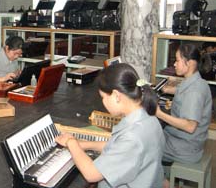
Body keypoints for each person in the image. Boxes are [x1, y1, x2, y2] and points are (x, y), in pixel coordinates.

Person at [55, 63, 165, 187]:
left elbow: (91, 174)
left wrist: (71, 143)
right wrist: (86, 144)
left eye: (103, 97)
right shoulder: (148, 117)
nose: (102, 102)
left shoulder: (132, 136)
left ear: (116, 96)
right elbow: (118, 148)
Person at [156, 43, 212, 186]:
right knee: (153, 134)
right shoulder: (197, 81)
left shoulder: (195, 91)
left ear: (190, 63)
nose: (174, 64)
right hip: (185, 140)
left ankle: (162, 182)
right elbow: (184, 91)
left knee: (144, 145)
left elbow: (190, 126)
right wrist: (167, 89)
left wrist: (159, 113)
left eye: (178, 60)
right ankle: (160, 175)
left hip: (185, 146)